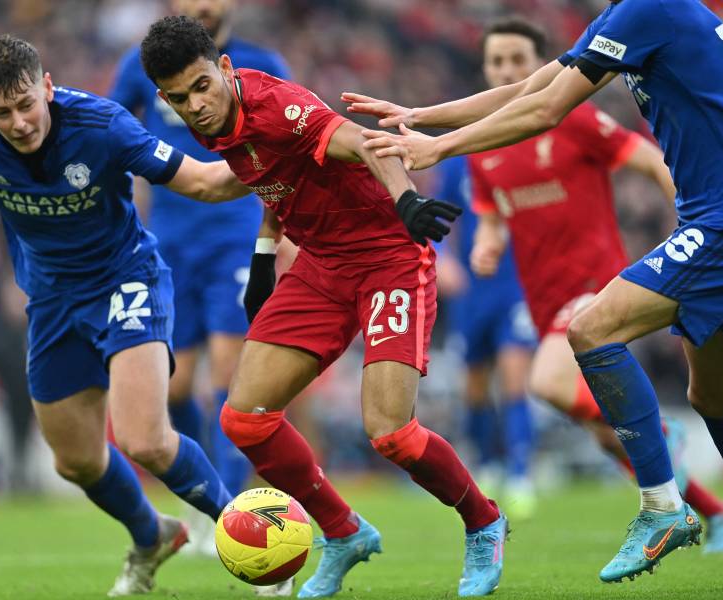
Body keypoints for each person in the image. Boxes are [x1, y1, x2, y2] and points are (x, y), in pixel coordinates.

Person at [347, 0, 723, 588]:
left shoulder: (649, 7)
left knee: (592, 331)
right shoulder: (636, 12)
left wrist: (438, 148)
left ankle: (663, 506)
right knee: (715, 394)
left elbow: (545, 107)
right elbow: (535, 83)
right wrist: (422, 116)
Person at [0, 34, 252, 596]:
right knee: (76, 463)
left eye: (26, 105)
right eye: (2, 112)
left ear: (46, 87)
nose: (19, 122)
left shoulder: (102, 125)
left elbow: (204, 182)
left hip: (127, 281)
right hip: (51, 301)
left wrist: (287, 157)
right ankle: (151, 535)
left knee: (144, 439)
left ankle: (248, 535)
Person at [139, 16, 507, 599]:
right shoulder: (217, 126)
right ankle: (343, 531)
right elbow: (271, 179)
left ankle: (484, 521)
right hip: (320, 266)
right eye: (181, 98)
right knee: (244, 418)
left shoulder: (275, 105)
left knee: (392, 435)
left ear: (225, 69)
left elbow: (362, 140)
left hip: (389, 259)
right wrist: (263, 259)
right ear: (165, 99)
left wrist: (407, 201)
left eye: (203, 86)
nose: (196, 104)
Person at [444, 15, 723, 547]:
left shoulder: (574, 119)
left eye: (518, 60)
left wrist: (693, 221)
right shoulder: (485, 152)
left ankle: (661, 454)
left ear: (536, 66)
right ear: (486, 68)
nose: (507, 69)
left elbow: (648, 157)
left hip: (595, 278)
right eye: (497, 61)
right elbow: (491, 215)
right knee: (616, 437)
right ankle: (715, 511)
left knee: (546, 382)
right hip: (541, 294)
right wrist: (489, 241)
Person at [110, 0, 291, 557]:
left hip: (234, 232)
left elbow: (290, 148)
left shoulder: (262, 62)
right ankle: (204, 494)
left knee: (228, 374)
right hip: (169, 242)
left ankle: (236, 507)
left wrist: (283, 232)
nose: (201, 5)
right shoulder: (139, 68)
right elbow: (108, 137)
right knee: (177, 386)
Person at [435, 154, 539, 517]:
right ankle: (487, 465)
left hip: (516, 285)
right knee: (474, 385)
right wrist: (442, 258)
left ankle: (521, 472)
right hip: (472, 290)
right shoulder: (457, 163)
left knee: (514, 378)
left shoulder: (524, 151)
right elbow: (436, 215)